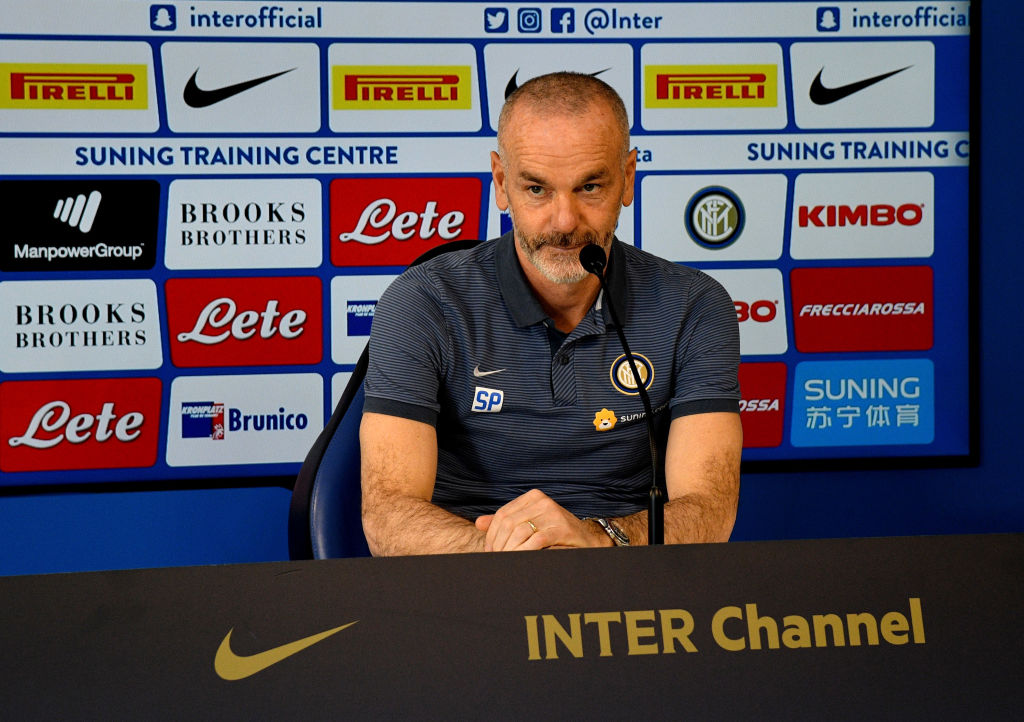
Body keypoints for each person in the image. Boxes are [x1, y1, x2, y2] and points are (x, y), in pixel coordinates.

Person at [360, 72, 742, 555]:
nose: (564, 222)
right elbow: (387, 516)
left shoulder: (694, 306)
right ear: (501, 183)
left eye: (590, 187)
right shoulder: (422, 302)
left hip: (626, 574)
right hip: (469, 571)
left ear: (628, 178)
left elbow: (710, 508)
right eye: (537, 189)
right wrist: (511, 555)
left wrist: (594, 540)